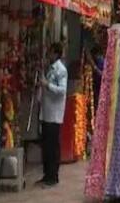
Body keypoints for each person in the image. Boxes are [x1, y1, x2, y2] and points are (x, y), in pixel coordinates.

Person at [39, 43, 67, 187]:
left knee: (52, 146)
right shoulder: (49, 68)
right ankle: (46, 174)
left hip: (54, 114)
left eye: (50, 52)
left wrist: (47, 85)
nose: (48, 55)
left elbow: (62, 90)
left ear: (56, 53)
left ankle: (53, 176)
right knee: (46, 145)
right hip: (46, 112)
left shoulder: (61, 70)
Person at [86, 45, 104, 110]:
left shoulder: (101, 61)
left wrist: (94, 66)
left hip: (100, 88)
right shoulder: (98, 61)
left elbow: (102, 75)